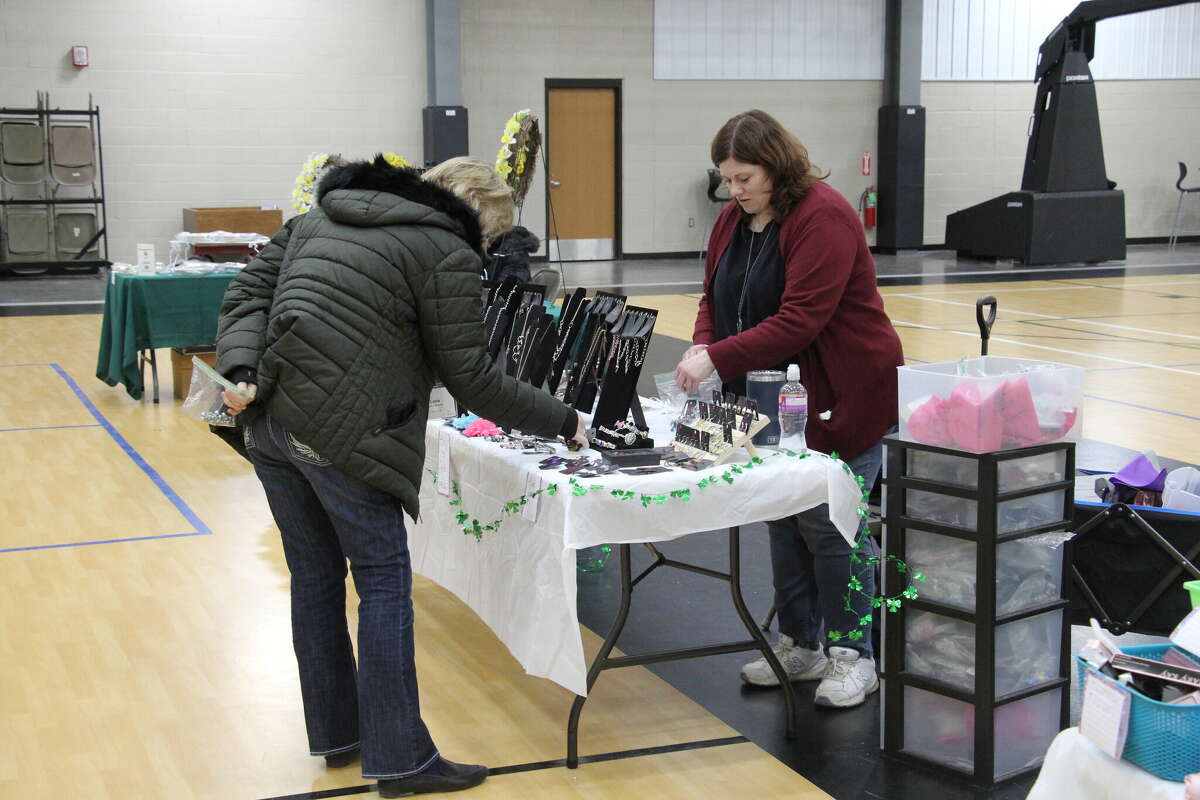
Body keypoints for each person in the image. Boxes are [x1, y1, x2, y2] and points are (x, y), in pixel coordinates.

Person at [216, 154, 588, 796]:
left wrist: (242, 367)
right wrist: (563, 419)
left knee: (315, 579)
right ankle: (401, 760)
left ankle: (338, 734)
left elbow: (247, 293)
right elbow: (471, 376)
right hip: (344, 434)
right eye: (492, 236)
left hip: (271, 423)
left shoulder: (317, 217)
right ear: (472, 211)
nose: (487, 249)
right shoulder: (443, 248)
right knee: (384, 582)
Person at [674, 110, 904, 709]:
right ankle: (801, 644)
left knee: (832, 523)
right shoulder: (733, 219)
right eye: (727, 179)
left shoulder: (824, 216)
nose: (734, 190)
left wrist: (717, 356)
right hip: (768, 394)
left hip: (843, 391)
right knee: (782, 514)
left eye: (744, 178)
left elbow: (800, 320)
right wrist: (704, 345)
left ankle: (855, 655)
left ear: (776, 167)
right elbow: (713, 298)